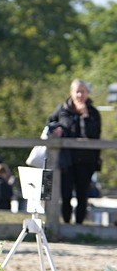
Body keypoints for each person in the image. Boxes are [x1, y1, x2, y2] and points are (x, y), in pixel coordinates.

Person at [47, 79, 102, 224]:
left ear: (87, 93)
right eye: (77, 91)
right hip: (66, 160)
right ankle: (65, 223)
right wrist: (57, 129)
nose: (79, 95)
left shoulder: (93, 113)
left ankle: (79, 226)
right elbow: (50, 124)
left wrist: (85, 117)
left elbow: (95, 135)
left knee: (82, 195)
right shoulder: (62, 110)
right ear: (71, 92)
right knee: (65, 194)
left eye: (83, 92)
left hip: (86, 161)